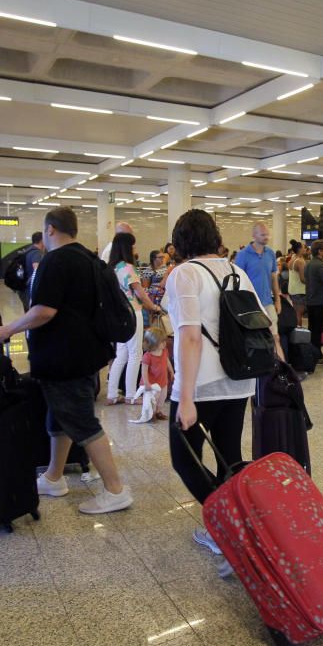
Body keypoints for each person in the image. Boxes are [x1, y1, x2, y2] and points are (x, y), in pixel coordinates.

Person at [0, 208, 132, 513]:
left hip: (65, 357)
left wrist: (8, 329)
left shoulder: (57, 260)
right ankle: (54, 476)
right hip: (87, 351)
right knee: (59, 415)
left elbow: (44, 310)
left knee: (81, 420)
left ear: (50, 229)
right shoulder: (88, 258)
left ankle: (115, 490)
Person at [164, 210, 258, 572]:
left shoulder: (184, 274)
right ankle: (230, 524)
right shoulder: (236, 270)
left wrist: (184, 397)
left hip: (199, 384)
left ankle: (226, 530)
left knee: (183, 459)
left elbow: (189, 335)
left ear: (181, 241)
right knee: (229, 457)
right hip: (237, 378)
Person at [106, 232, 163, 406]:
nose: (135, 249)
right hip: (133, 312)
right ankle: (131, 394)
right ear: (126, 247)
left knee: (121, 353)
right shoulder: (127, 267)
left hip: (120, 313)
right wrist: (153, 307)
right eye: (133, 245)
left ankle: (112, 393)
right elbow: (140, 292)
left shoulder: (113, 268)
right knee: (134, 353)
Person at [235, 222, 284, 359]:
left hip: (267, 302)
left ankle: (283, 370)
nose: (266, 237)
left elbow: (274, 277)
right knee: (254, 340)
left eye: (267, 234)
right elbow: (237, 281)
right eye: (263, 235)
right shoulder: (243, 255)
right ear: (254, 235)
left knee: (275, 337)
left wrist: (278, 299)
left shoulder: (270, 253)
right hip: (251, 305)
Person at [305, 240, 323, 364]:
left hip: (311, 301)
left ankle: (312, 354)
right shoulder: (321, 265)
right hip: (319, 301)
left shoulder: (309, 264)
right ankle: (318, 356)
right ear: (320, 251)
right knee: (317, 330)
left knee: (313, 329)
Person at [139, 326, 174, 420]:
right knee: (152, 399)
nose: (165, 343)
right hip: (152, 384)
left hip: (163, 381)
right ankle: (151, 414)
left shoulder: (164, 351)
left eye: (164, 341)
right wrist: (146, 383)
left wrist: (171, 371)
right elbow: (144, 370)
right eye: (162, 342)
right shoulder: (147, 356)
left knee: (162, 397)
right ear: (153, 343)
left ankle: (158, 411)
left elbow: (167, 361)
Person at [19, 232, 46, 311]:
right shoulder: (37, 252)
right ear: (42, 241)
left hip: (23, 288)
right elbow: (37, 269)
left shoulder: (28, 250)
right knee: (33, 312)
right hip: (30, 289)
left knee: (28, 312)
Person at [288, 245, 308, 324]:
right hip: (300, 291)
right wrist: (312, 282)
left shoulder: (292, 260)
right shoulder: (300, 261)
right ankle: (299, 333)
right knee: (298, 314)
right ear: (299, 249)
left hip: (292, 290)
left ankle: (296, 332)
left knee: (296, 312)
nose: (305, 249)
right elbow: (303, 279)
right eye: (303, 247)